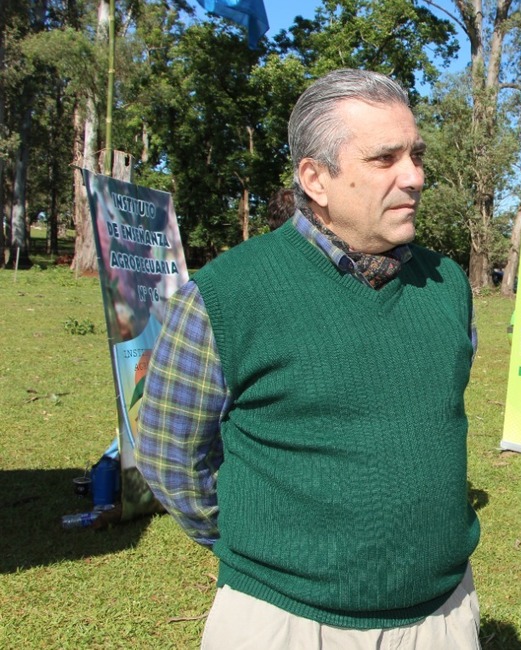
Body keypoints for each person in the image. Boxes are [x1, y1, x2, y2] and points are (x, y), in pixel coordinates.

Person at [136, 69, 481, 648]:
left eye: (416, 155)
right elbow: (168, 457)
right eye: (384, 159)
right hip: (284, 622)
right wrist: (266, 549)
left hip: (443, 615)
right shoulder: (226, 295)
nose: (415, 177)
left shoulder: (448, 284)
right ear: (315, 179)